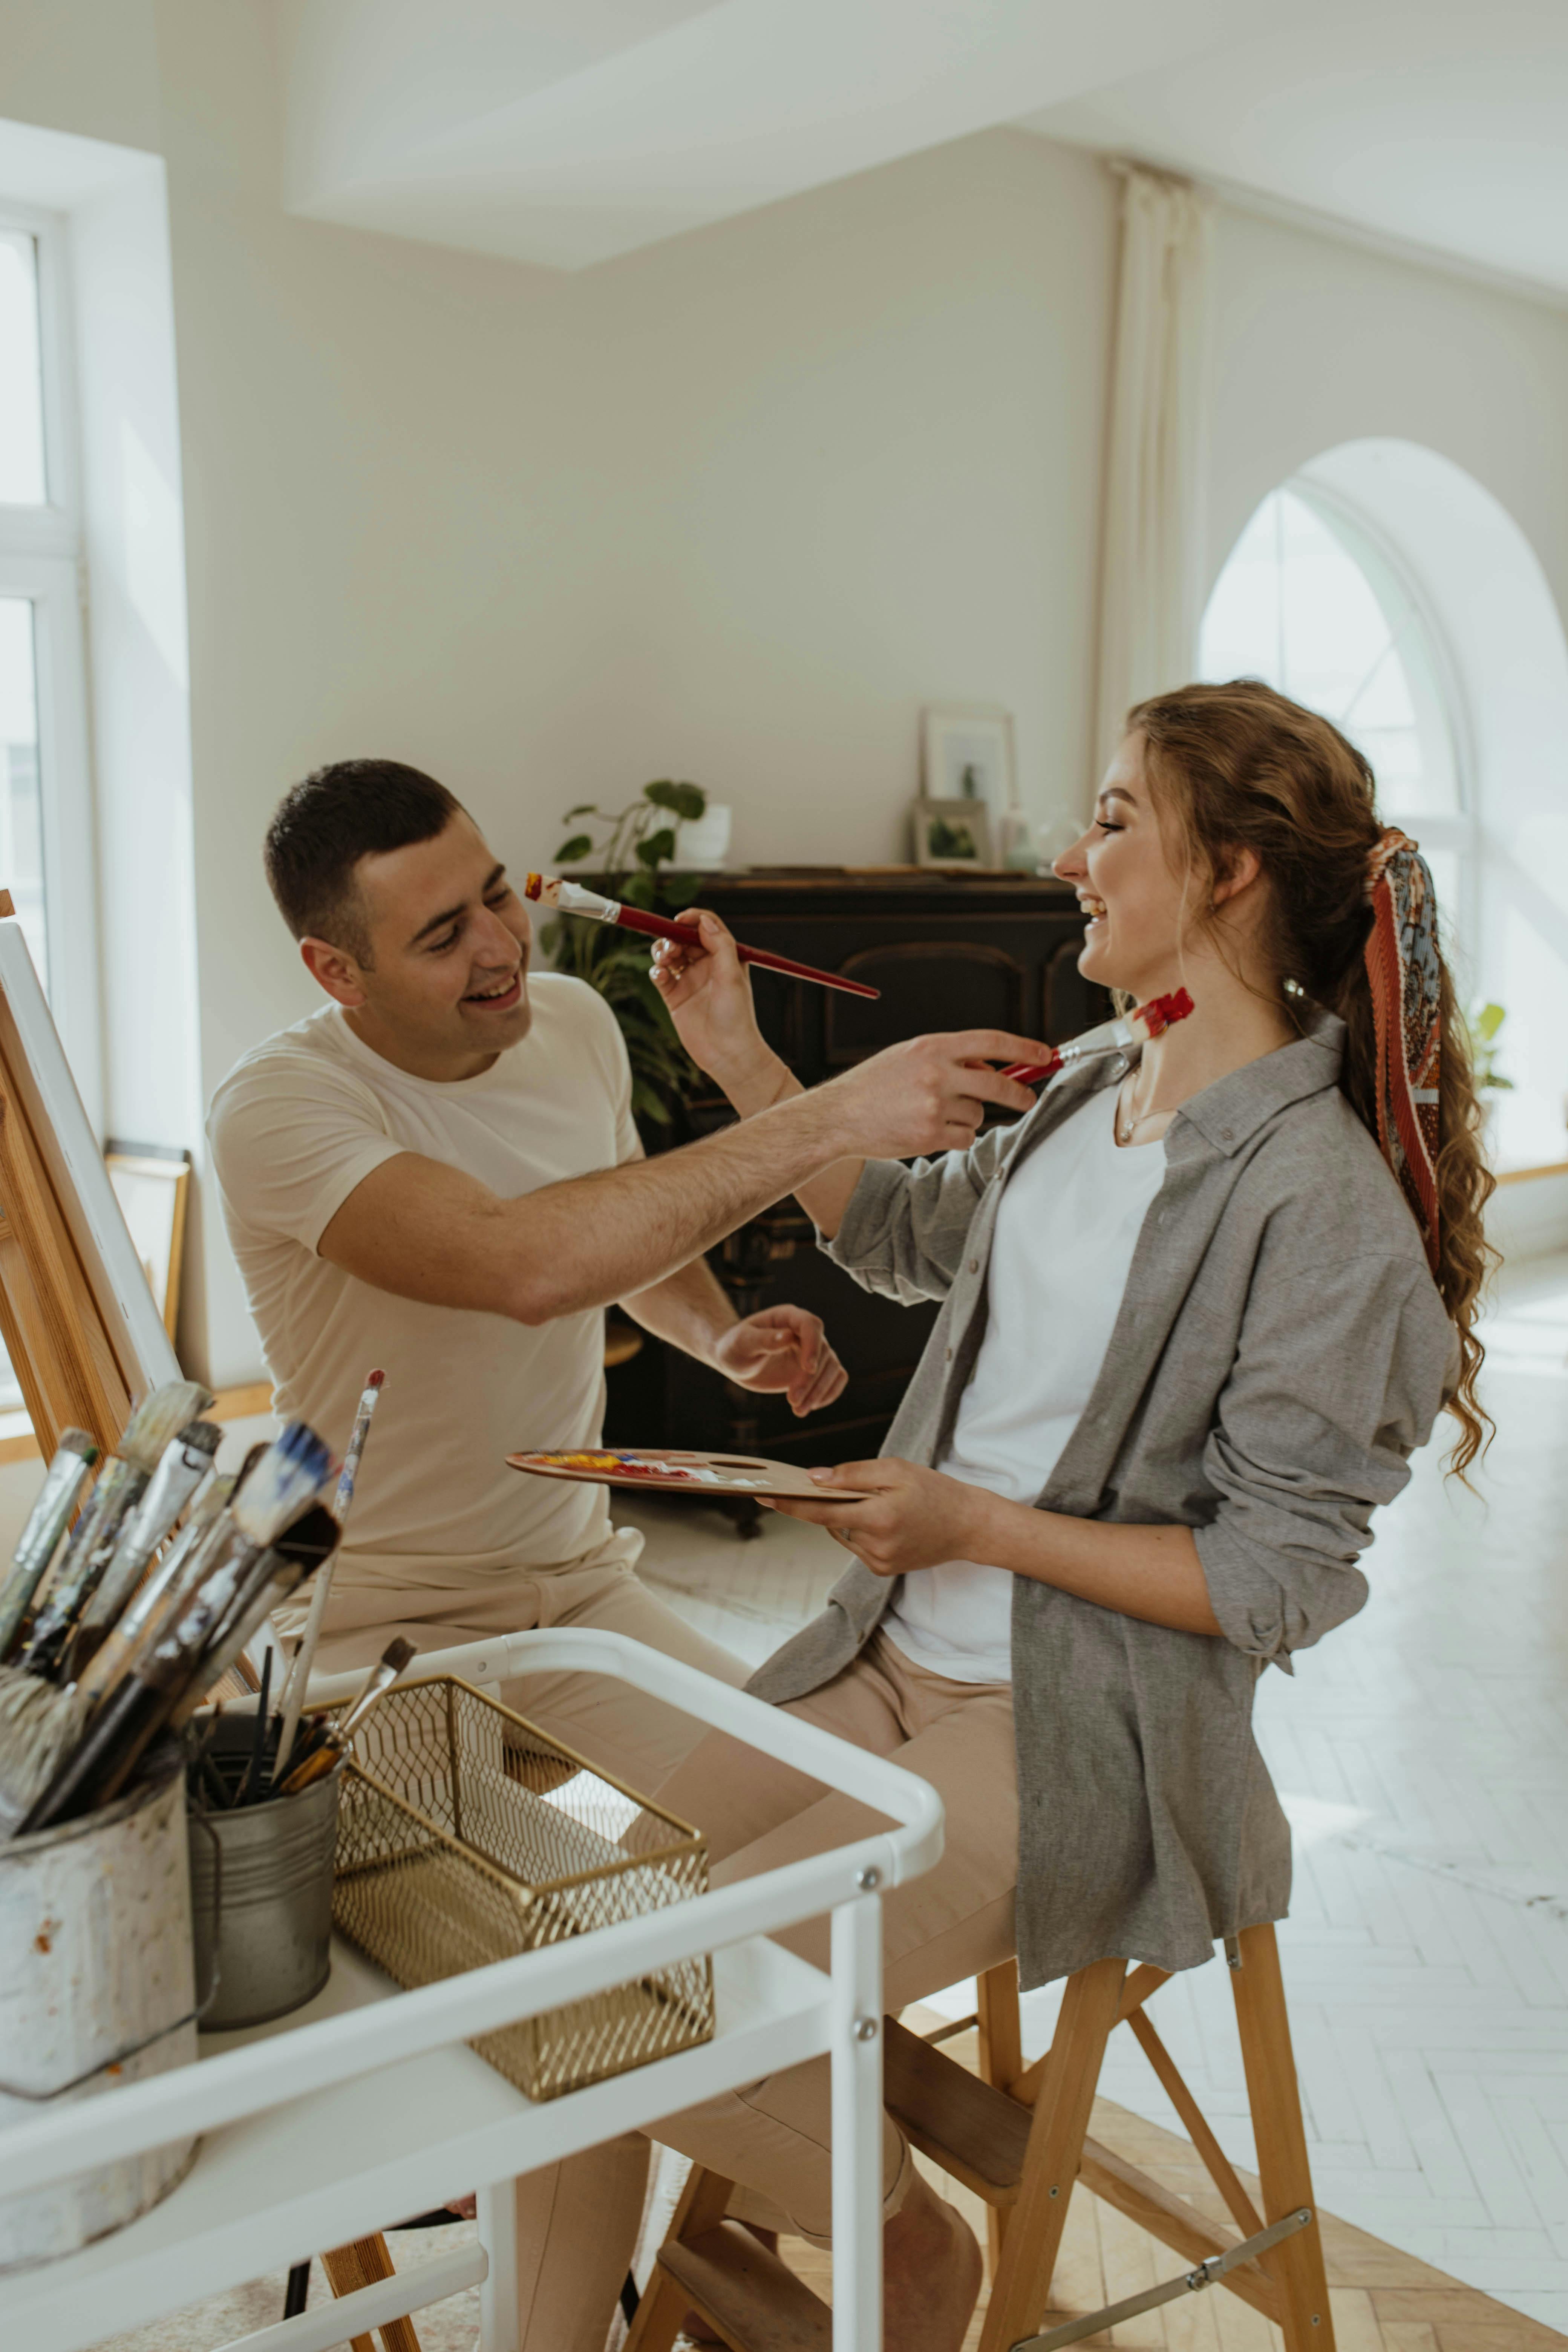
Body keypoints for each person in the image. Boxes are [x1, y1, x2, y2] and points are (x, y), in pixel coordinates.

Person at [621, 680, 1490, 2351]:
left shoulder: (1316, 1204)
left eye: (1107, 819)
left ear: (1226, 870)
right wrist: (733, 1051)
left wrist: (972, 1527)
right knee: (563, 1969)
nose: (1065, 855)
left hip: (1071, 1723)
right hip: (877, 1654)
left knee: (658, 2008)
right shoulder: (1100, 1076)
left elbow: (1273, 1579)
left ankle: (916, 2264)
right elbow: (893, 1236)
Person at [207, 756, 1054, 2348]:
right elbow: (518, 1265)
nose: (497, 950)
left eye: (494, 895)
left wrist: (717, 1336)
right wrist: (821, 1110)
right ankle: (891, 2238)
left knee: (803, 1852)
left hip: (584, 1601)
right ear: (335, 971)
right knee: (580, 1975)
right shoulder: (282, 1109)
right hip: (368, 1653)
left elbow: (606, 1235)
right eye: (439, 934)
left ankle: (780, 2205)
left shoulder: (575, 1026)